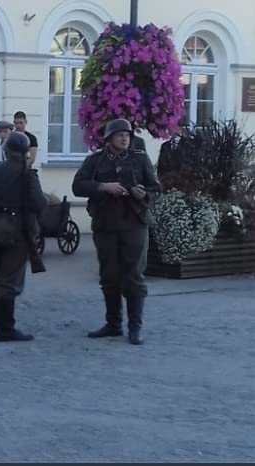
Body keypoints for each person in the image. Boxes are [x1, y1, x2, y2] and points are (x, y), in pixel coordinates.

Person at [72, 118, 160, 345]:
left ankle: (135, 327)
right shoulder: (95, 161)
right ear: (109, 138)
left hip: (134, 223)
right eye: (120, 135)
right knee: (109, 276)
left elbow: (156, 188)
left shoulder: (140, 158)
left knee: (134, 275)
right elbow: (78, 186)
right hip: (106, 224)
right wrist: (103, 187)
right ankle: (113, 324)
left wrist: (144, 193)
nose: (124, 139)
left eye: (127, 135)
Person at [0, 132, 47, 341]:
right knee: (9, 280)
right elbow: (39, 203)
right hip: (17, 232)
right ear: (25, 153)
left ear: (6, 150)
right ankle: (7, 329)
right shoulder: (28, 175)